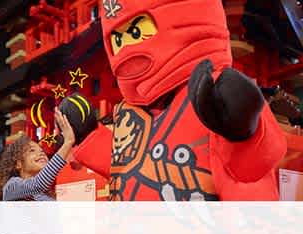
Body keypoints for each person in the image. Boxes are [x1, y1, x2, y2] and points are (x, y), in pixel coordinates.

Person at [63, 0, 287, 201]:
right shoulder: (128, 111)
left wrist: (244, 137)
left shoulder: (212, 94)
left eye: (136, 31)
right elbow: (129, 167)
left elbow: (250, 180)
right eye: (117, 40)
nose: (125, 50)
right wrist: (90, 137)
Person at [0, 108, 75, 201]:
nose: (41, 152)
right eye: (32, 150)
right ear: (18, 164)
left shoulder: (45, 194)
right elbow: (37, 184)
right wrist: (68, 142)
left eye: (42, 150)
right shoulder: (11, 186)